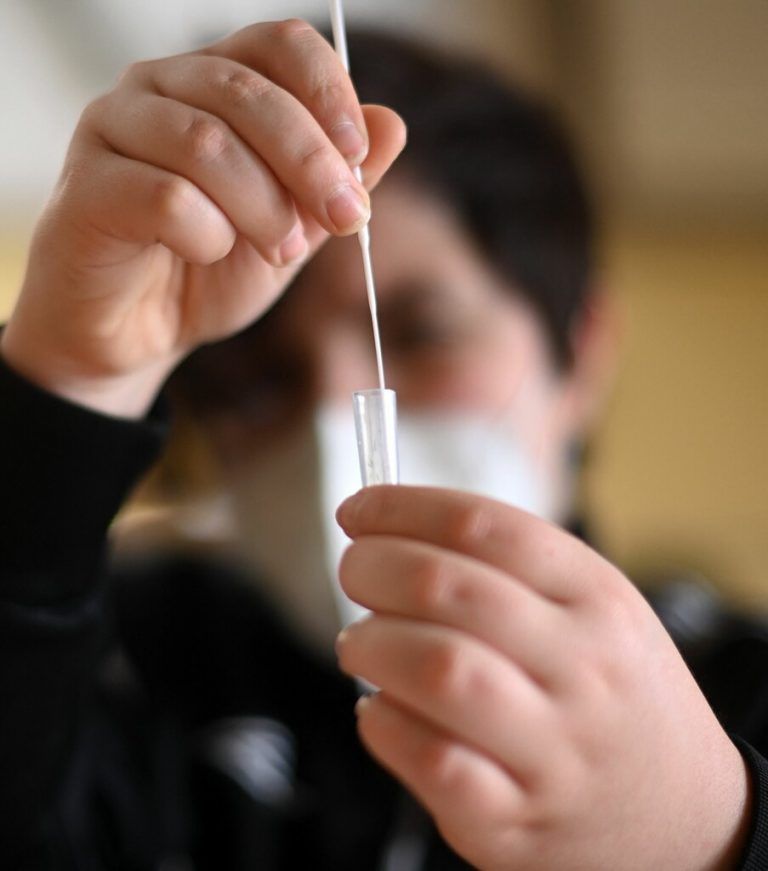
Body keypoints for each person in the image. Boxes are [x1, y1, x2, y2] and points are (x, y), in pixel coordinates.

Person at [1, 19, 767, 871]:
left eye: (425, 333)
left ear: (579, 352)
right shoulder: (123, 668)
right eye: (260, 380)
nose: (333, 412)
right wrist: (70, 377)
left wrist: (712, 834)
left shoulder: (739, 692)